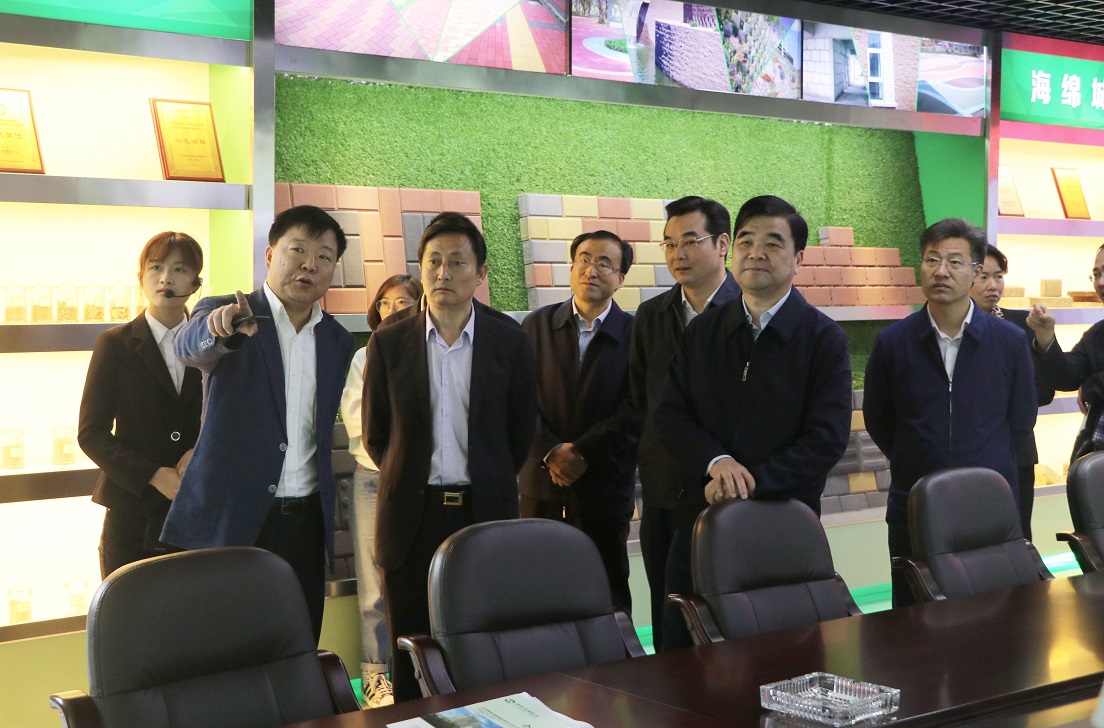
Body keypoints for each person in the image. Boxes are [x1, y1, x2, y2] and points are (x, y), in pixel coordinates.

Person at [654, 195, 852, 650]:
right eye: (746, 241)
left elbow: (825, 440)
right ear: (732, 250)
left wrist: (746, 483)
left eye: (773, 243)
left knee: (783, 656)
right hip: (700, 518)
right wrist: (717, 462)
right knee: (682, 655)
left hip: (783, 525)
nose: (755, 253)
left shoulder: (823, 338)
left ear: (798, 258)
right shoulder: (704, 331)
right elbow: (670, 413)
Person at [362, 211, 537, 702]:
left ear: (480, 273)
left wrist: (487, 474)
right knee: (410, 644)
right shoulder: (389, 339)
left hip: (484, 513)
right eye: (433, 261)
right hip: (410, 514)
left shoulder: (509, 340)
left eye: (457, 262)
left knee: (484, 641)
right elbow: (377, 435)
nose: (443, 273)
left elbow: (519, 432)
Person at [162, 205, 355, 642]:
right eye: (297, 250)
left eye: (324, 257)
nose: (310, 265)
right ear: (270, 255)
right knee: (227, 645)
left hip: (305, 521)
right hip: (236, 518)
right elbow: (188, 346)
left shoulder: (337, 340)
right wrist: (221, 331)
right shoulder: (227, 312)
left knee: (298, 642)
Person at [864, 218, 1036, 608]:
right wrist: (919, 454)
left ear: (975, 271)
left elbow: (1021, 418)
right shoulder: (893, 342)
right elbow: (879, 419)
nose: (941, 271)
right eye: (932, 260)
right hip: (914, 503)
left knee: (997, 614)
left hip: (988, 504)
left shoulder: (1009, 341)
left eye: (954, 262)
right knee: (915, 616)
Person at [628, 195, 740, 652]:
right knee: (668, 617)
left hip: (727, 490)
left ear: (722, 244)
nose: (678, 253)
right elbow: (642, 398)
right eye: (669, 243)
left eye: (690, 241)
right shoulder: (651, 315)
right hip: (663, 492)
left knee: (729, 618)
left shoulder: (746, 310)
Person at [520, 231, 641, 613]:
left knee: (606, 594)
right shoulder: (536, 326)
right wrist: (551, 451)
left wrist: (582, 452)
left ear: (620, 278)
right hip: (540, 488)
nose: (592, 269)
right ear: (572, 267)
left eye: (605, 263)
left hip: (603, 489)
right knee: (538, 593)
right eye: (585, 259)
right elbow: (517, 399)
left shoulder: (636, 334)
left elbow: (638, 407)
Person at [79, 232, 205, 578]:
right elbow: (91, 434)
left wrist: (200, 451)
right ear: (141, 278)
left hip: (197, 509)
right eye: (156, 268)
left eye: (179, 269)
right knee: (129, 608)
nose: (166, 278)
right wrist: (153, 474)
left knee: (195, 606)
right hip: (132, 514)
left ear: (195, 283)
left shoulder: (212, 342)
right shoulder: (114, 344)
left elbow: (230, 420)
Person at [338, 274, 422, 707]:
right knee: (374, 582)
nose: (392, 310)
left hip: (420, 481)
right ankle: (375, 674)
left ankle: (421, 667)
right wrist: (398, 455)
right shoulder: (365, 354)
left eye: (403, 302)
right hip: (373, 478)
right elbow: (358, 416)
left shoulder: (429, 348)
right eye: (385, 303)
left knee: (420, 575)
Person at [970, 244, 1054, 540]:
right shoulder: (952, 331)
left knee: (1019, 537)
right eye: (983, 277)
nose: (993, 286)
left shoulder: (1022, 325)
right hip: (969, 455)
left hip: (1017, 452)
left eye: (999, 276)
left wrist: (1044, 340)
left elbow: (1044, 391)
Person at [1027, 243, 1104, 465]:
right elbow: (1065, 376)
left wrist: (1090, 387)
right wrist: (1046, 338)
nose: (1100, 282)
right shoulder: (1097, 335)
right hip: (1097, 459)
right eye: (1096, 274)